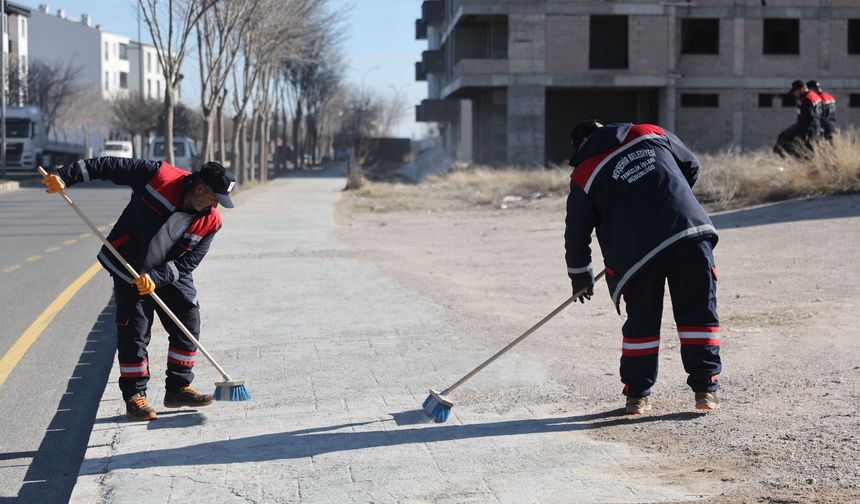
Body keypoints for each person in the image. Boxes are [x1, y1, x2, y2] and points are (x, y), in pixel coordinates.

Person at [42, 158, 236, 421]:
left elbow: (189, 262)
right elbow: (108, 166)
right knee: (134, 329)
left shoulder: (211, 221)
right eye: (216, 198)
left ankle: (178, 388)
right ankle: (135, 396)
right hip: (130, 264)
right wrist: (66, 175)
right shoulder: (159, 176)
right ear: (200, 188)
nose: (216, 206)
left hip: (169, 273)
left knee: (188, 321)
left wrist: (156, 277)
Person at [565, 120, 721, 415]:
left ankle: (637, 396)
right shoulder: (649, 132)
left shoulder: (584, 173)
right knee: (698, 313)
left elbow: (577, 232)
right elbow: (691, 165)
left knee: (642, 323)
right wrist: (668, 201)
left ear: (582, 145)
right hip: (688, 233)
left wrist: (580, 275)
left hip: (636, 252)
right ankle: (705, 391)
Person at [789, 79, 822, 150]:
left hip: (809, 131)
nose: (794, 94)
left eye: (795, 91)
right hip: (816, 128)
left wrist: (803, 134)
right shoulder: (814, 96)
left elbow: (808, 118)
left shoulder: (807, 100)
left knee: (806, 154)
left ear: (802, 89)